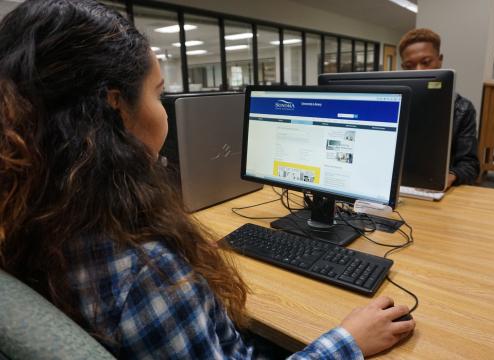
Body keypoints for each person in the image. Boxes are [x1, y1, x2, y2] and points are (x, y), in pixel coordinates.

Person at [0, 1, 415, 358]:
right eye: (159, 93)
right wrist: (347, 342)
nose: (164, 112)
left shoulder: (28, 220)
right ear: (115, 108)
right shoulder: (147, 275)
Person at [398, 28, 480, 188]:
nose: (418, 71)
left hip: (437, 189)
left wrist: (449, 178)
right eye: (409, 65)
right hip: (398, 185)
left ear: (439, 60)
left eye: (426, 62)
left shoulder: (463, 109)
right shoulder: (397, 104)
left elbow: (470, 165)